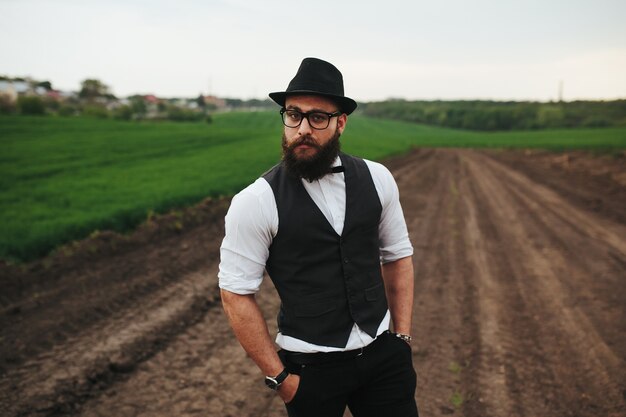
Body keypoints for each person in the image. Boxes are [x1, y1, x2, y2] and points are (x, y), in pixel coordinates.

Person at [219, 57, 418, 417]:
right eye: (293, 114)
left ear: (340, 123)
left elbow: (398, 256)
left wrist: (400, 338)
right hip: (310, 370)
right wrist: (281, 380)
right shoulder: (256, 202)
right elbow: (235, 295)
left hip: (382, 358)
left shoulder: (378, 178)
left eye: (318, 117)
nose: (302, 128)